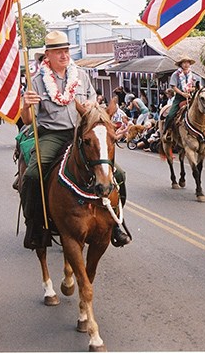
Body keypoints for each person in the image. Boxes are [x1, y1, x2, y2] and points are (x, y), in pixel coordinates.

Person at [20, 31, 131, 250]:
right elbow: (27, 120)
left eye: (66, 51)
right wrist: (26, 104)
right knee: (33, 175)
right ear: (48, 55)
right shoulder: (36, 82)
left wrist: (95, 110)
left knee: (118, 174)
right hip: (53, 134)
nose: (64, 55)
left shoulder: (81, 76)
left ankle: (116, 222)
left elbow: (93, 105)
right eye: (58, 51)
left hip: (82, 135)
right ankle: (35, 226)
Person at [163, 54, 196, 139]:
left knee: (203, 110)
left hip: (190, 96)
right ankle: (166, 131)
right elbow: (173, 86)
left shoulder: (192, 74)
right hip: (179, 97)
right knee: (170, 115)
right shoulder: (176, 74)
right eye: (184, 62)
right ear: (181, 64)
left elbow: (194, 86)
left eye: (188, 62)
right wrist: (182, 93)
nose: (186, 64)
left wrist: (191, 89)